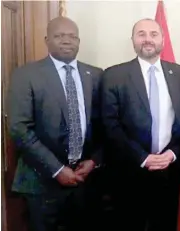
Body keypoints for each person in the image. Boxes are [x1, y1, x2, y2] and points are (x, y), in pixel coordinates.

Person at [7, 17, 103, 231]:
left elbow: (105, 125)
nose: (66, 41)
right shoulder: (26, 75)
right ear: (46, 40)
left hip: (85, 182)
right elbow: (19, 128)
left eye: (72, 37)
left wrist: (94, 161)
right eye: (59, 36)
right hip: (41, 183)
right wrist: (57, 169)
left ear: (79, 41)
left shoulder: (96, 75)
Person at [101, 18, 180, 231]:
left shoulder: (179, 73)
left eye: (153, 34)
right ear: (132, 40)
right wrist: (143, 158)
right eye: (141, 34)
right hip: (129, 171)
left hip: (168, 169)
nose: (147, 39)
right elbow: (110, 124)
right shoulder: (114, 75)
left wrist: (172, 154)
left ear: (162, 39)